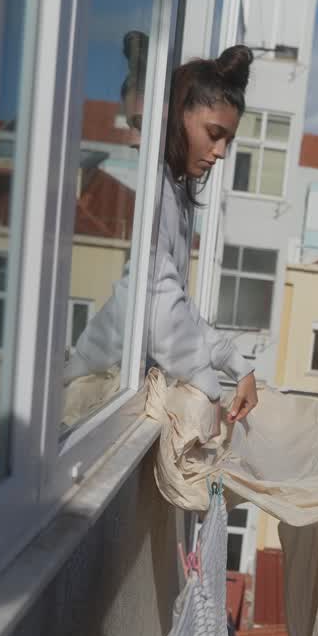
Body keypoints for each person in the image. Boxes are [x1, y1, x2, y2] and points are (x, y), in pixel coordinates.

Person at [66, 42, 258, 431]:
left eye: (228, 141)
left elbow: (173, 303)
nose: (220, 152)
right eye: (214, 133)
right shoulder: (157, 191)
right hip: (89, 400)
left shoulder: (173, 193)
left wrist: (237, 366)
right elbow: (157, 305)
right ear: (176, 116)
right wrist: (208, 387)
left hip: (103, 385)